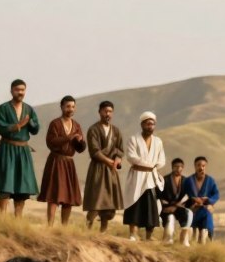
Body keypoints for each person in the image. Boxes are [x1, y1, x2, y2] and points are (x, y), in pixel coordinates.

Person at [0, 79, 39, 217]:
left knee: (22, 185)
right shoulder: (3, 108)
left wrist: (29, 122)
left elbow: (36, 129)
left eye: (22, 90)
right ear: (11, 91)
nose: (20, 92)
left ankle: (18, 218)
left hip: (23, 151)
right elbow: (1, 127)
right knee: (6, 183)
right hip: (7, 148)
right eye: (17, 90)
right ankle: (3, 217)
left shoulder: (29, 109)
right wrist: (18, 125)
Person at [38, 95, 84, 225]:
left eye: (73, 106)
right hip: (56, 161)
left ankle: (64, 227)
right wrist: (69, 137)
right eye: (68, 106)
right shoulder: (55, 124)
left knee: (68, 197)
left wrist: (80, 142)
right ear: (62, 107)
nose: (71, 109)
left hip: (69, 162)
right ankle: (50, 226)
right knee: (54, 195)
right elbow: (51, 142)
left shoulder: (76, 125)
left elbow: (81, 149)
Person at [122, 111, 164, 240]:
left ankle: (148, 236)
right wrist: (150, 165)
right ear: (142, 124)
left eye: (152, 124)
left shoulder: (158, 141)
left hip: (151, 178)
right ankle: (133, 234)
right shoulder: (133, 139)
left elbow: (161, 160)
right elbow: (131, 157)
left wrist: (154, 166)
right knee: (134, 205)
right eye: (147, 124)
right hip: (137, 176)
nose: (150, 126)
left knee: (150, 208)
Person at [83, 101, 124, 231]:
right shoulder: (93, 129)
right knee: (96, 202)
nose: (108, 114)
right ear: (100, 112)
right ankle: (87, 230)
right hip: (98, 169)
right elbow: (94, 151)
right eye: (105, 111)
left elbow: (120, 150)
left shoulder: (116, 131)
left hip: (111, 171)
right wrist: (109, 161)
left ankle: (103, 232)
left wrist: (117, 160)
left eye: (110, 111)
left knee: (108, 205)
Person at [183, 157, 220, 244]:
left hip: (205, 209)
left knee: (207, 218)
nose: (201, 168)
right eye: (198, 165)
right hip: (192, 210)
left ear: (206, 167)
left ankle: (205, 242)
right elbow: (182, 195)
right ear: (195, 166)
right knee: (190, 229)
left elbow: (216, 194)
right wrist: (191, 201)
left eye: (203, 166)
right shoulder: (188, 181)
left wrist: (209, 201)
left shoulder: (210, 181)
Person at [159, 158, 191, 244]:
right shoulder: (165, 180)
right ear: (172, 167)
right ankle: (167, 240)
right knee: (170, 218)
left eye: (180, 167)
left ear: (183, 168)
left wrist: (177, 206)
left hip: (180, 207)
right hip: (167, 207)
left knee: (188, 215)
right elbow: (160, 196)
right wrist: (168, 207)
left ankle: (184, 240)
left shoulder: (186, 181)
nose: (178, 169)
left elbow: (188, 196)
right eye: (176, 166)